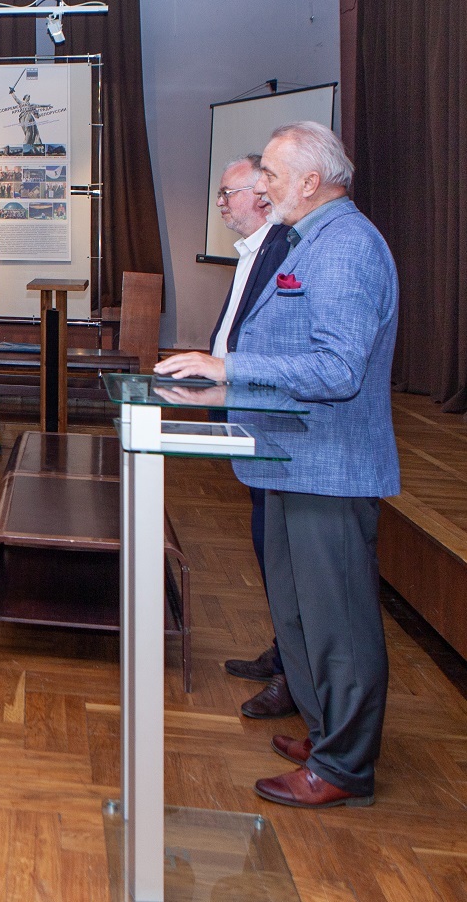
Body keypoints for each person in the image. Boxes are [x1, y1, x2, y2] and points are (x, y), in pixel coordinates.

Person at [156, 121, 399, 809]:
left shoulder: (346, 245)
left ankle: (344, 766)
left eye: (269, 172)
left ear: (311, 181)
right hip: (293, 460)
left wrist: (229, 368)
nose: (260, 185)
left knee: (338, 623)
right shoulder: (307, 238)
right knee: (300, 614)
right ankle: (326, 737)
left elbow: (338, 368)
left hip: (330, 464)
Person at [207, 155, 299, 722]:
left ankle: (296, 673)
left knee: (281, 550)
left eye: (228, 192)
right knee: (267, 541)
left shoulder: (287, 249)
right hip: (247, 411)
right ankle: (286, 651)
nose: (220, 202)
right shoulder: (252, 252)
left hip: (278, 422)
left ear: (261, 196)